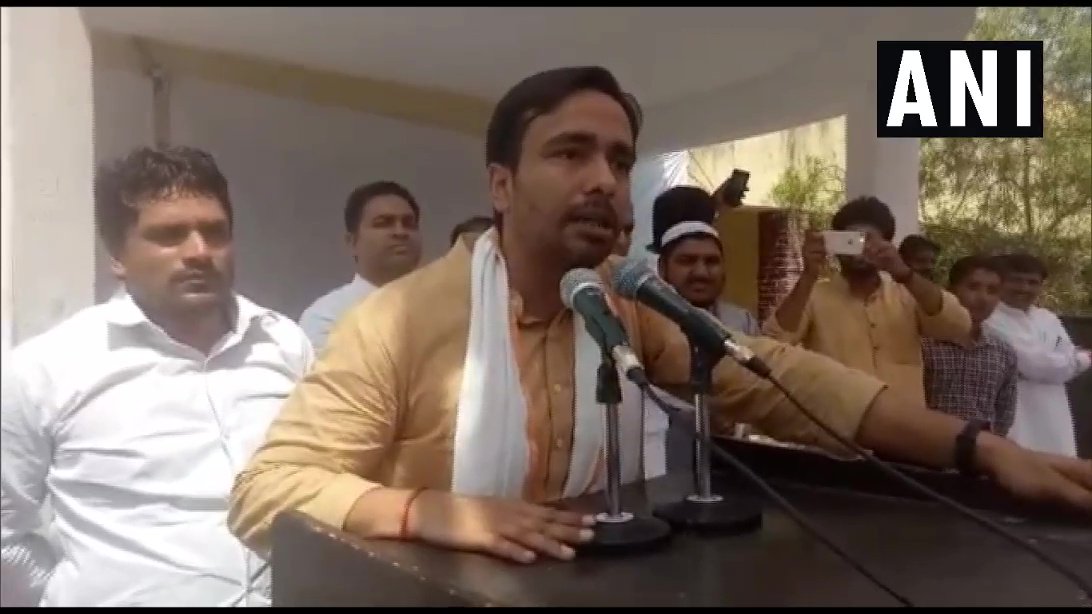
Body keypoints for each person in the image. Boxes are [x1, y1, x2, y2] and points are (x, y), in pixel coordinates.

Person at [229, 66, 1091, 568]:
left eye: (619, 159)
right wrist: (425, 511)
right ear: (500, 184)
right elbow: (266, 493)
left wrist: (978, 449)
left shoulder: (617, 297)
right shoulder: (398, 322)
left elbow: (778, 379)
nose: (604, 179)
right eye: (570, 153)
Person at [0, 146, 313, 607]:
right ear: (117, 256)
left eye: (215, 232)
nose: (199, 252)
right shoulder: (46, 369)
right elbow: (6, 534)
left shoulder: (284, 344)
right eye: (169, 235)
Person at [763, 197, 972, 408]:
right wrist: (808, 275)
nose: (860, 250)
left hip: (903, 423)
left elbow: (959, 326)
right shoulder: (814, 295)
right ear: (836, 244)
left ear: (888, 245)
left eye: (868, 240)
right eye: (851, 241)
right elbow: (773, 343)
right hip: (837, 421)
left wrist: (905, 273)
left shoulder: (907, 294)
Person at [985, 253, 1091, 457]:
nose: (1024, 288)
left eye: (1032, 282)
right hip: (1016, 418)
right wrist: (1083, 359)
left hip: (1056, 417)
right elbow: (1035, 364)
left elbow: (1060, 362)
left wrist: (1067, 363)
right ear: (1000, 281)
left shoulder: (1047, 318)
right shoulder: (990, 318)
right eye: (1016, 280)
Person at [298, 181, 422, 350]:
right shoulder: (327, 317)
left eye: (409, 223)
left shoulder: (444, 307)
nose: (400, 232)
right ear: (352, 242)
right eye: (383, 223)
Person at [922, 255, 1017, 435]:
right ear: (950, 290)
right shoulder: (925, 343)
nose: (983, 298)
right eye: (973, 287)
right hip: (925, 443)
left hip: (980, 447)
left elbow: (1004, 416)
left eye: (992, 291)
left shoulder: (1003, 351)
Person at [650, 186, 759, 335]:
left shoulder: (742, 323)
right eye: (687, 261)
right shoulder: (641, 324)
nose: (701, 272)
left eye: (711, 261)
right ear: (662, 267)